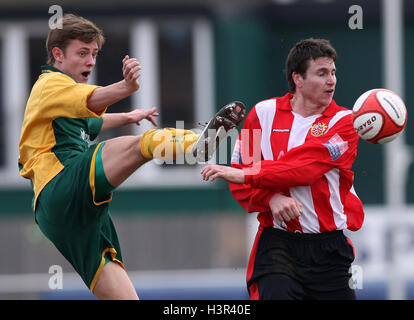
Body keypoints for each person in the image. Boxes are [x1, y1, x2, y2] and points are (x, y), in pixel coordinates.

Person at [18, 14, 244, 300]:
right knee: (146, 144)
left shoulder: (58, 99)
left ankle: (198, 145)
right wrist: (126, 88)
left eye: (94, 54)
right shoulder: (50, 83)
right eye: (83, 53)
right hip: (61, 184)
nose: (90, 61)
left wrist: (129, 115)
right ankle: (198, 147)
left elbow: (90, 121)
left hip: (59, 216)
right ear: (57, 54)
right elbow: (90, 100)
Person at [201, 38, 365, 300]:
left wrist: (246, 173)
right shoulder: (262, 113)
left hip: (329, 250)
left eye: (333, 72)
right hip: (278, 244)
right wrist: (270, 198)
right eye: (322, 73)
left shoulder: (345, 122)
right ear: (298, 79)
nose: (331, 80)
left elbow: (305, 167)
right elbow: (239, 180)